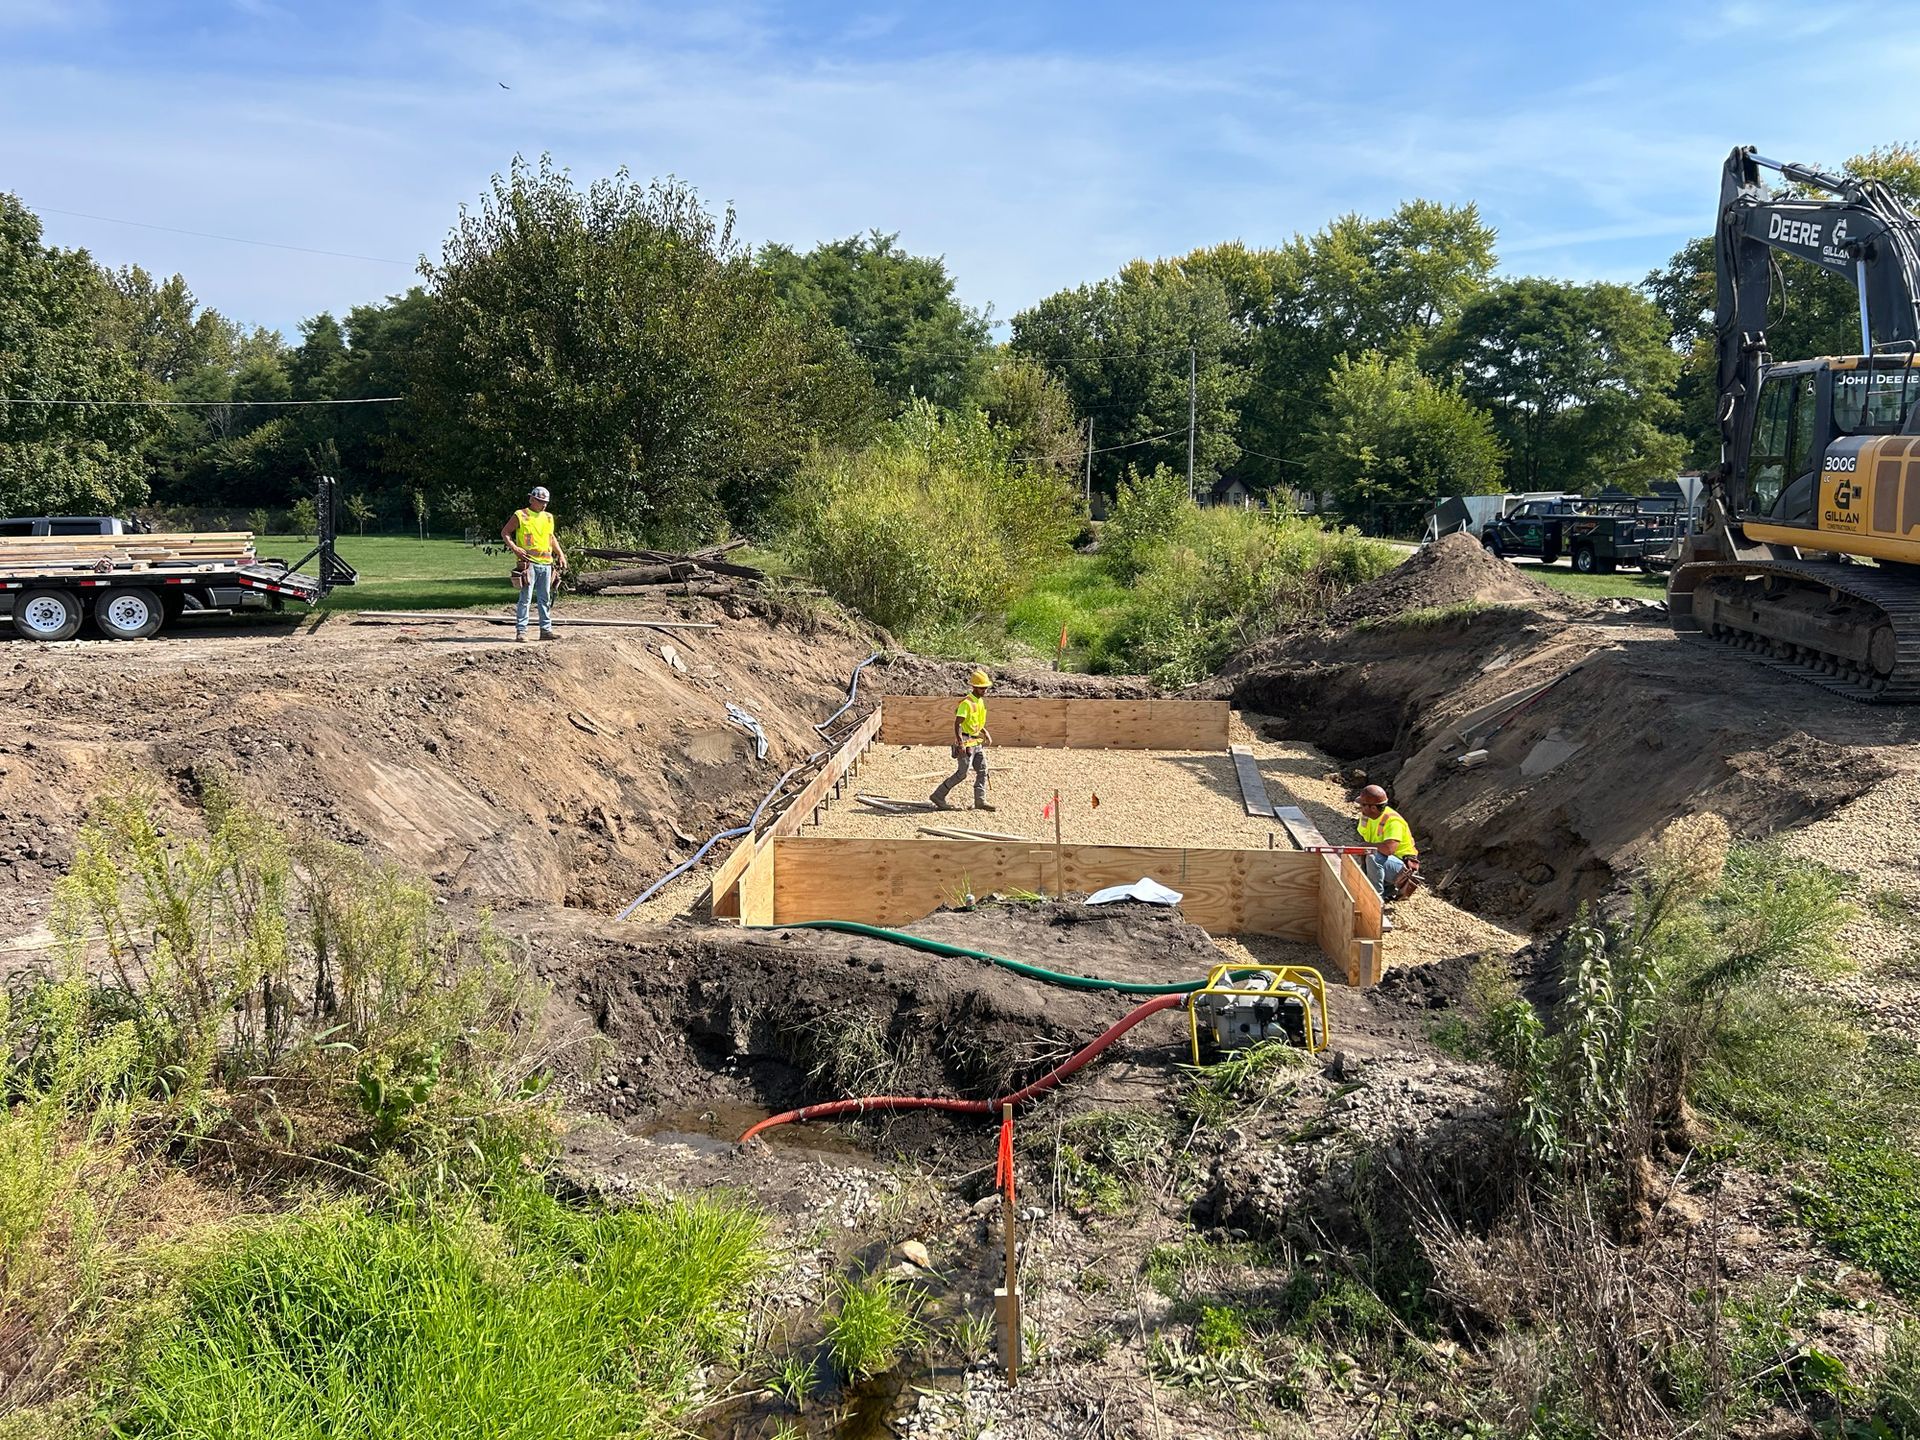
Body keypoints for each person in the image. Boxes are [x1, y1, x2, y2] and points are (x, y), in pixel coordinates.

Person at [502, 487, 568, 642]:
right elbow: (505, 532)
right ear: (532, 499)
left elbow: (551, 537)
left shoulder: (548, 517)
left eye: (545, 502)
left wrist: (560, 554)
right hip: (528, 563)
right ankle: (521, 631)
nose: (543, 505)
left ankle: (546, 630)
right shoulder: (521, 515)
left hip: (546, 563)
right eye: (540, 501)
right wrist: (515, 548)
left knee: (544, 598)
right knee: (525, 598)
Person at [930, 669, 994, 811]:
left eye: (985, 688)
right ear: (974, 687)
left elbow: (975, 722)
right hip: (966, 742)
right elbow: (958, 724)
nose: (984, 690)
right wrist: (960, 743)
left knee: (983, 770)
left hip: (976, 742)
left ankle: (980, 801)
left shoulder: (979, 702)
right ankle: (938, 795)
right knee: (962, 773)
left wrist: (985, 732)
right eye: (982, 688)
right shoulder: (966, 703)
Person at [1354, 783, 1419, 925]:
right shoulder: (1367, 817)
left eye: (1363, 805)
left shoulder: (1392, 821)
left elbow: (1389, 849)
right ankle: (1384, 889)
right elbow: (1365, 838)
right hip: (1387, 863)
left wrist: (1366, 847)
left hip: (1403, 870)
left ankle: (1376, 901)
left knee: (1372, 855)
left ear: (1373, 807)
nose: (1360, 808)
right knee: (1368, 854)